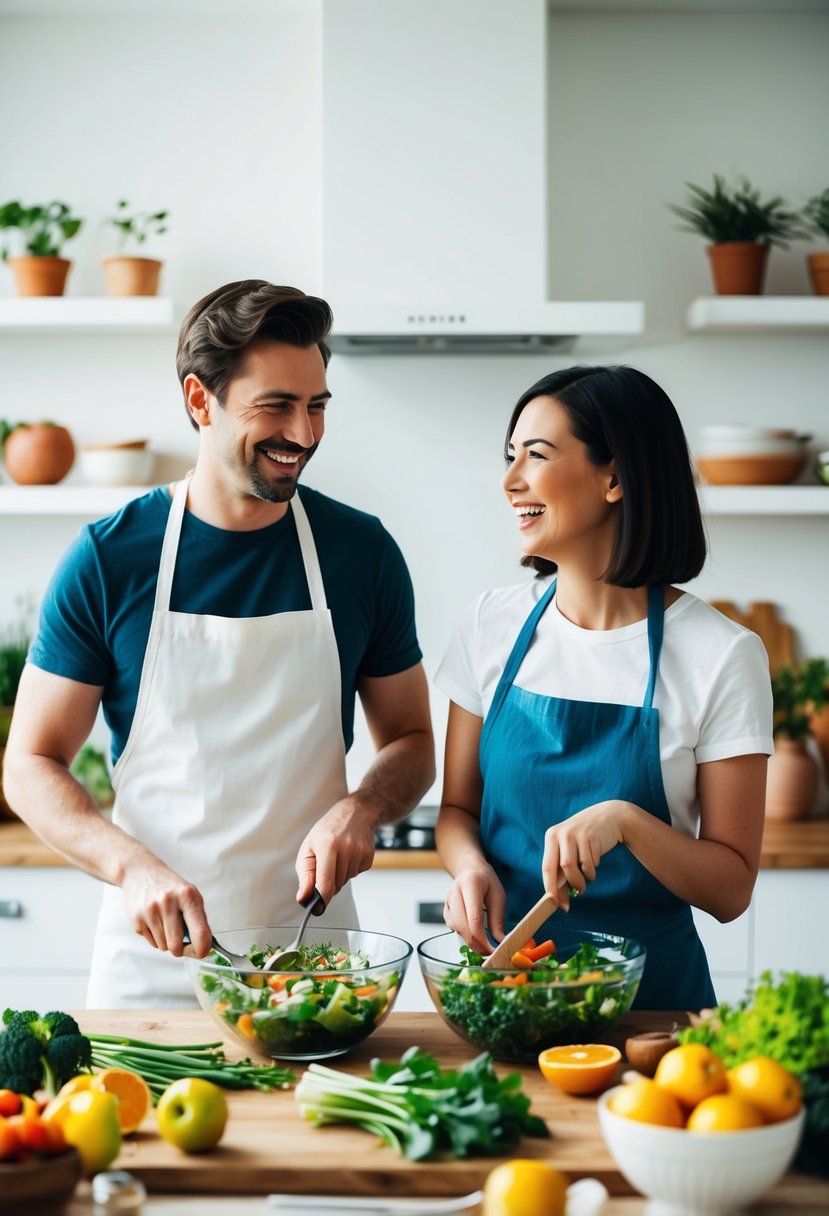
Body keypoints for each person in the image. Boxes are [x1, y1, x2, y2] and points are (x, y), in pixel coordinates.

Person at [3, 279, 435, 1008]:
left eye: (316, 406)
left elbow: (413, 739)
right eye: (275, 406)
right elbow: (29, 763)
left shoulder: (360, 553)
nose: (303, 434)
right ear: (200, 401)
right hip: (152, 973)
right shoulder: (112, 559)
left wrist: (361, 809)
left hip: (313, 970)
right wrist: (130, 866)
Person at [434, 364, 772, 1011]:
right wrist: (469, 868)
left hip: (655, 1013)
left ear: (614, 477)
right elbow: (456, 813)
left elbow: (730, 889)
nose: (510, 482)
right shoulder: (489, 624)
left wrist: (625, 822)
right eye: (510, 457)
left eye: (536, 455)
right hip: (509, 993)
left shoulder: (720, 654)